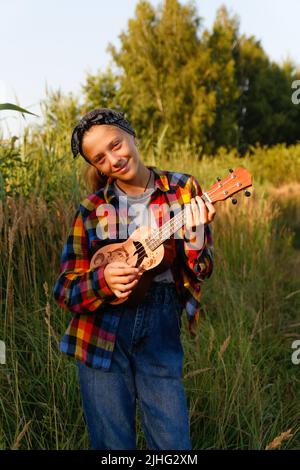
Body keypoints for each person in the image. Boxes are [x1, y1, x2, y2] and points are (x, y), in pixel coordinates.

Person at [53, 108, 215, 450]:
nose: (113, 159)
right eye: (100, 157)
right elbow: (65, 289)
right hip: (100, 330)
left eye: (116, 145)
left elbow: (202, 269)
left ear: (131, 135)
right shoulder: (91, 208)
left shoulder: (183, 189)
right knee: (112, 444)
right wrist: (102, 280)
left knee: (172, 440)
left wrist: (196, 236)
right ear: (96, 166)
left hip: (160, 322)